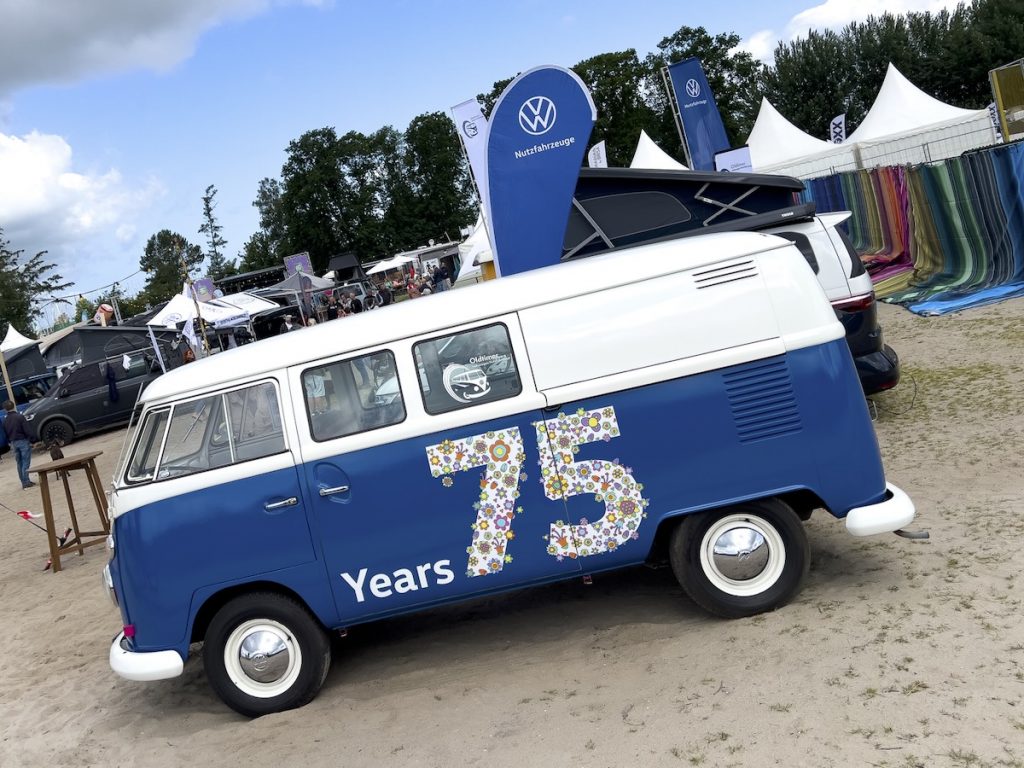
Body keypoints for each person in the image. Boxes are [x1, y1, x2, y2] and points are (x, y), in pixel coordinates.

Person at [2, 400, 36, 489]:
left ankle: (23, 481)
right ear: (14, 406)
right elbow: (27, 429)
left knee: (19, 463)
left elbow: (5, 433)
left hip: (13, 442)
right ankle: (26, 481)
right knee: (25, 462)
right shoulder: (20, 417)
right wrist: (33, 439)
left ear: (5, 409)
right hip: (22, 440)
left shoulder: (5, 420)